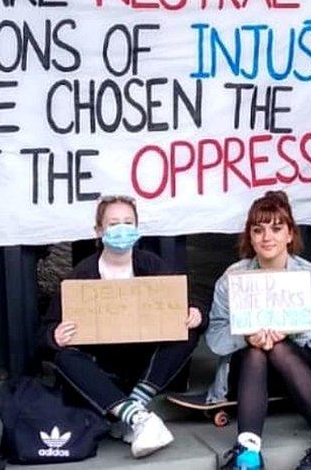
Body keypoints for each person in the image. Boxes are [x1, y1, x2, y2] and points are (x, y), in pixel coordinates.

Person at [39, 195, 212, 458]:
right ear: (99, 231)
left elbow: (187, 299)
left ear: (137, 228)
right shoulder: (81, 275)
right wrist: (55, 335)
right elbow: (44, 333)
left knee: (186, 327)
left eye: (128, 222)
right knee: (64, 357)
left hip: (146, 367)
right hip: (104, 369)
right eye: (113, 223)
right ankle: (139, 418)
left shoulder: (151, 265)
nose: (121, 229)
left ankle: (130, 411)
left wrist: (196, 312)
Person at [207, 191, 311, 470]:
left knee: (280, 347)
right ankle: (248, 452)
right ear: (249, 236)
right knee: (257, 352)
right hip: (250, 375)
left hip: (299, 370)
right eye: (258, 230)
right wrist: (244, 337)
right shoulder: (232, 279)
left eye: (276, 228)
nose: (266, 237)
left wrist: (295, 332)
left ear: (289, 234)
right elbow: (214, 336)